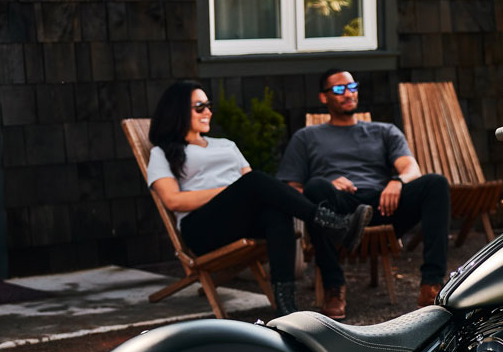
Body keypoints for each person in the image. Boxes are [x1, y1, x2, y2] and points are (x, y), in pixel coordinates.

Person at [146, 80, 372, 316]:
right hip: (201, 229)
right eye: (199, 107)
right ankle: (333, 224)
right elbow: (173, 201)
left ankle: (286, 307)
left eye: (208, 106)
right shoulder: (162, 153)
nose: (208, 112)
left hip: (237, 221)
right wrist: (231, 190)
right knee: (254, 181)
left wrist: (240, 190)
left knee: (276, 213)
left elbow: (256, 189)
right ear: (179, 110)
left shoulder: (225, 145)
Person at [277, 69, 450, 320]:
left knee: (436, 184)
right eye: (339, 89)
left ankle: (431, 285)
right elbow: (291, 191)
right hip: (338, 212)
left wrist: (397, 181)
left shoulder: (384, 131)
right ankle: (333, 288)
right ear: (324, 97)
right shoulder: (306, 137)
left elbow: (411, 168)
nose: (348, 94)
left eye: (352, 87)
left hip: (382, 205)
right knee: (315, 188)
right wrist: (330, 184)